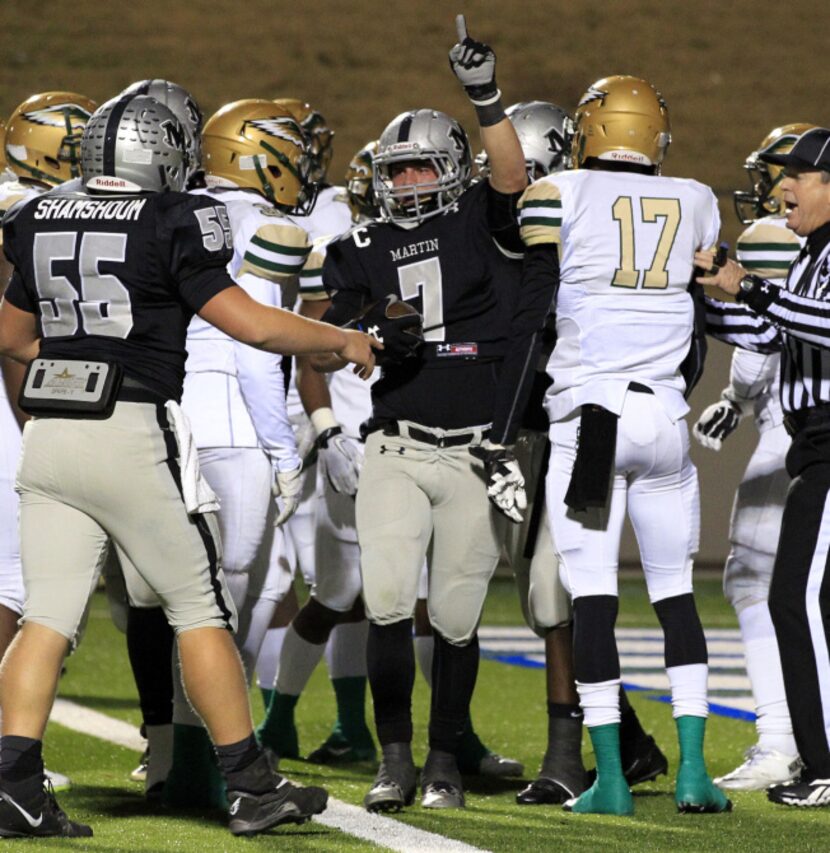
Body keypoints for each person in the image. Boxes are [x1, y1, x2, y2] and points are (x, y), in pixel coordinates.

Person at [0, 92, 377, 839]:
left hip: (49, 436)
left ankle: (14, 786)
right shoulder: (173, 218)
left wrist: (78, 362)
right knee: (199, 606)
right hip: (129, 430)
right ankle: (248, 782)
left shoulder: (41, 215)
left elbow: (11, 338)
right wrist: (346, 344)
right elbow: (252, 324)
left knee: (45, 617)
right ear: (161, 154)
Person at [490, 74, 730, 816]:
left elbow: (534, 308)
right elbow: (696, 298)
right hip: (664, 418)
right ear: (654, 133)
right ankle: (693, 771)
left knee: (592, 598)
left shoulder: (555, 191)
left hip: (590, 420)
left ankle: (612, 781)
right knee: (677, 594)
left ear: (589, 129)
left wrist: (502, 429)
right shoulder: (698, 198)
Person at [311, 16, 528, 811]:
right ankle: (394, 757)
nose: (402, 184)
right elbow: (329, 343)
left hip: (474, 452)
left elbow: (510, 178)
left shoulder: (477, 216)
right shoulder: (359, 244)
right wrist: (367, 337)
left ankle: (444, 758)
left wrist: (485, 96)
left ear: (445, 170)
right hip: (397, 447)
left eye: (415, 171)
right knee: (392, 600)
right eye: (393, 172)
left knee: (462, 614)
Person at [479, 99, 669, 805]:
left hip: (577, 424)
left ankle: (566, 756)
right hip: (524, 426)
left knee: (561, 595)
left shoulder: (593, 230)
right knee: (542, 599)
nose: (517, 187)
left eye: (532, 172)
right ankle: (635, 744)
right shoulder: (494, 227)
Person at [700, 126, 830, 808]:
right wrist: (697, 302)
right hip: (812, 439)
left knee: (790, 595)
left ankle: (815, 755)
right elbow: (773, 333)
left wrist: (746, 285)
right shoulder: (811, 252)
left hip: (828, 440)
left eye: (797, 177)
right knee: (807, 598)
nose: (783, 188)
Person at [0, 91, 98, 797]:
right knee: (19, 584)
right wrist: (40, 427)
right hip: (13, 409)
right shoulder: (22, 213)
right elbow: (14, 339)